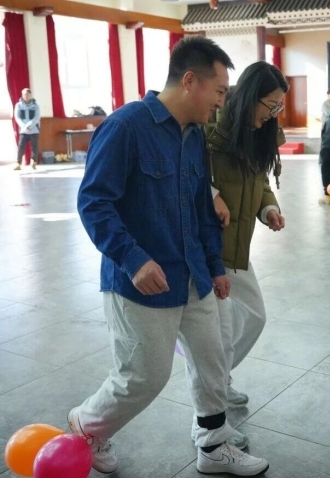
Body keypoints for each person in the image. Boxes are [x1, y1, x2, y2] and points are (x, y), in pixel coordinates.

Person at [73, 37, 269, 476]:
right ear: (190, 81)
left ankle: (213, 446)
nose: (222, 103)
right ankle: (87, 424)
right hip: (141, 281)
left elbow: (200, 206)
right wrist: (133, 259)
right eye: (219, 91)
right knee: (143, 377)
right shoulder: (125, 127)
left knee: (212, 360)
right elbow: (94, 203)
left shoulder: (194, 136)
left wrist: (215, 267)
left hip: (194, 273)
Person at [199, 62, 287, 450]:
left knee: (254, 316)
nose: (273, 113)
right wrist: (211, 194)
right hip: (209, 248)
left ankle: (217, 377)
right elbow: (190, 175)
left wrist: (268, 209)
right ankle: (211, 413)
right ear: (251, 97)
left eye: (279, 107)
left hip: (238, 247)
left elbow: (260, 180)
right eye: (270, 105)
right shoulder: (210, 129)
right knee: (214, 334)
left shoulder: (257, 133)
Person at [14, 88, 40, 170]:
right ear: (22, 95)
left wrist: (29, 126)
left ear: (30, 95)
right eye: (24, 94)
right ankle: (18, 163)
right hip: (23, 130)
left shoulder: (35, 105)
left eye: (27, 94)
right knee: (21, 147)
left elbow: (37, 117)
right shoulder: (18, 105)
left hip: (34, 130)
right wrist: (24, 127)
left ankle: (33, 162)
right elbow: (17, 117)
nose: (26, 96)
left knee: (34, 147)